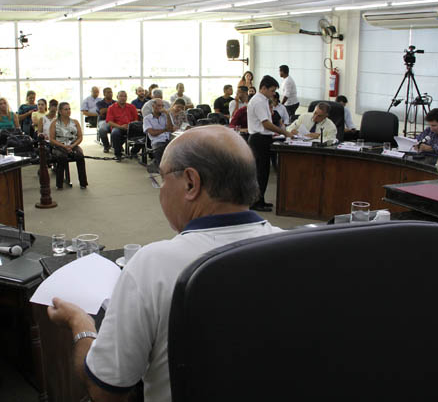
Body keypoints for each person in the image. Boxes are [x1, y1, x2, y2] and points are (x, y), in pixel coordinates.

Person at [47, 125, 283, 402]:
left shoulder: (153, 265)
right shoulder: (297, 250)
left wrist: (79, 323)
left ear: (191, 184)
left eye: (161, 179)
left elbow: (105, 391)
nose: (159, 191)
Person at [248, 75, 293, 212]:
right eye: (272, 90)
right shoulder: (259, 102)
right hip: (259, 139)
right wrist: (284, 132)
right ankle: (256, 202)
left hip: (262, 138)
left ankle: (260, 199)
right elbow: (266, 123)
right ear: (263, 88)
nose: (274, 94)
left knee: (264, 171)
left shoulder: (263, 100)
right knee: (260, 172)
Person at [50, 102, 88, 189]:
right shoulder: (54, 123)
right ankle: (59, 184)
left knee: (80, 156)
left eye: (69, 109)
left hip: (73, 145)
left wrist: (72, 145)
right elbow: (52, 139)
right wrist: (64, 146)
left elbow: (80, 137)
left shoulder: (75, 122)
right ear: (60, 111)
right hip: (59, 145)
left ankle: (83, 183)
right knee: (61, 157)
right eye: (66, 109)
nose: (68, 111)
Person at [105, 90, 139, 161]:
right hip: (118, 127)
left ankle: (134, 151)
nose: (123, 98)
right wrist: (120, 126)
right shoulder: (111, 107)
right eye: (121, 96)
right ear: (117, 97)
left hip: (131, 127)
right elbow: (109, 122)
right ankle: (118, 155)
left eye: (125, 96)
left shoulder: (132, 107)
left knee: (144, 132)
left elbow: (136, 120)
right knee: (115, 133)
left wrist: (130, 126)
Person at [143, 97, 174, 171]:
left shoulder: (166, 116)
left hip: (169, 139)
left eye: (162, 106)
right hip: (157, 141)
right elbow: (153, 133)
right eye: (159, 105)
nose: (161, 108)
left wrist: (167, 114)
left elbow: (170, 129)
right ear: (153, 106)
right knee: (160, 150)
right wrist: (164, 130)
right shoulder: (147, 118)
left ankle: (158, 164)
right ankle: (160, 167)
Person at [96, 88, 116, 152]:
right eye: (108, 92)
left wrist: (106, 110)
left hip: (115, 120)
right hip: (104, 120)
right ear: (104, 94)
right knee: (102, 129)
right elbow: (102, 111)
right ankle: (106, 146)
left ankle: (117, 145)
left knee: (122, 129)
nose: (110, 94)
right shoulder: (99, 103)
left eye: (111, 92)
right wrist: (113, 109)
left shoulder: (115, 102)